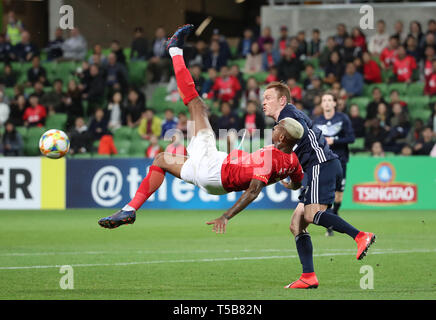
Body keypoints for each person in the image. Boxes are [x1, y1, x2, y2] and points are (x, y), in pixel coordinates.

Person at [98, 25, 305, 237]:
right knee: (161, 159)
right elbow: (297, 182)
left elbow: (253, 191)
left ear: (281, 137)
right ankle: (129, 210)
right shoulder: (293, 162)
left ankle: (174, 50)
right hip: (213, 176)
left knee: (196, 104)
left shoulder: (271, 157)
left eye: (277, 127)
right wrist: (287, 181)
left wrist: (226, 216)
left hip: (216, 169)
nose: (274, 128)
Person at [262, 81, 375, 289]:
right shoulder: (288, 117)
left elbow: (300, 135)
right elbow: (298, 143)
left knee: (311, 215)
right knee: (296, 223)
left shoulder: (288, 116)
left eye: (268, 98)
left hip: (320, 164)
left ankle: (360, 236)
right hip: (321, 165)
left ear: (282, 100)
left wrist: (277, 146)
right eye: (263, 98)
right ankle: (308, 276)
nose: (263, 102)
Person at [313, 92, 355, 236]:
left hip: (340, 161)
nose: (327, 103)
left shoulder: (343, 119)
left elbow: (351, 138)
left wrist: (334, 141)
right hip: (323, 162)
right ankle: (330, 225)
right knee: (327, 195)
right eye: (324, 100)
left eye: (330, 100)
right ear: (321, 104)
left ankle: (334, 215)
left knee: (338, 196)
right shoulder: (317, 121)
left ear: (335, 103)